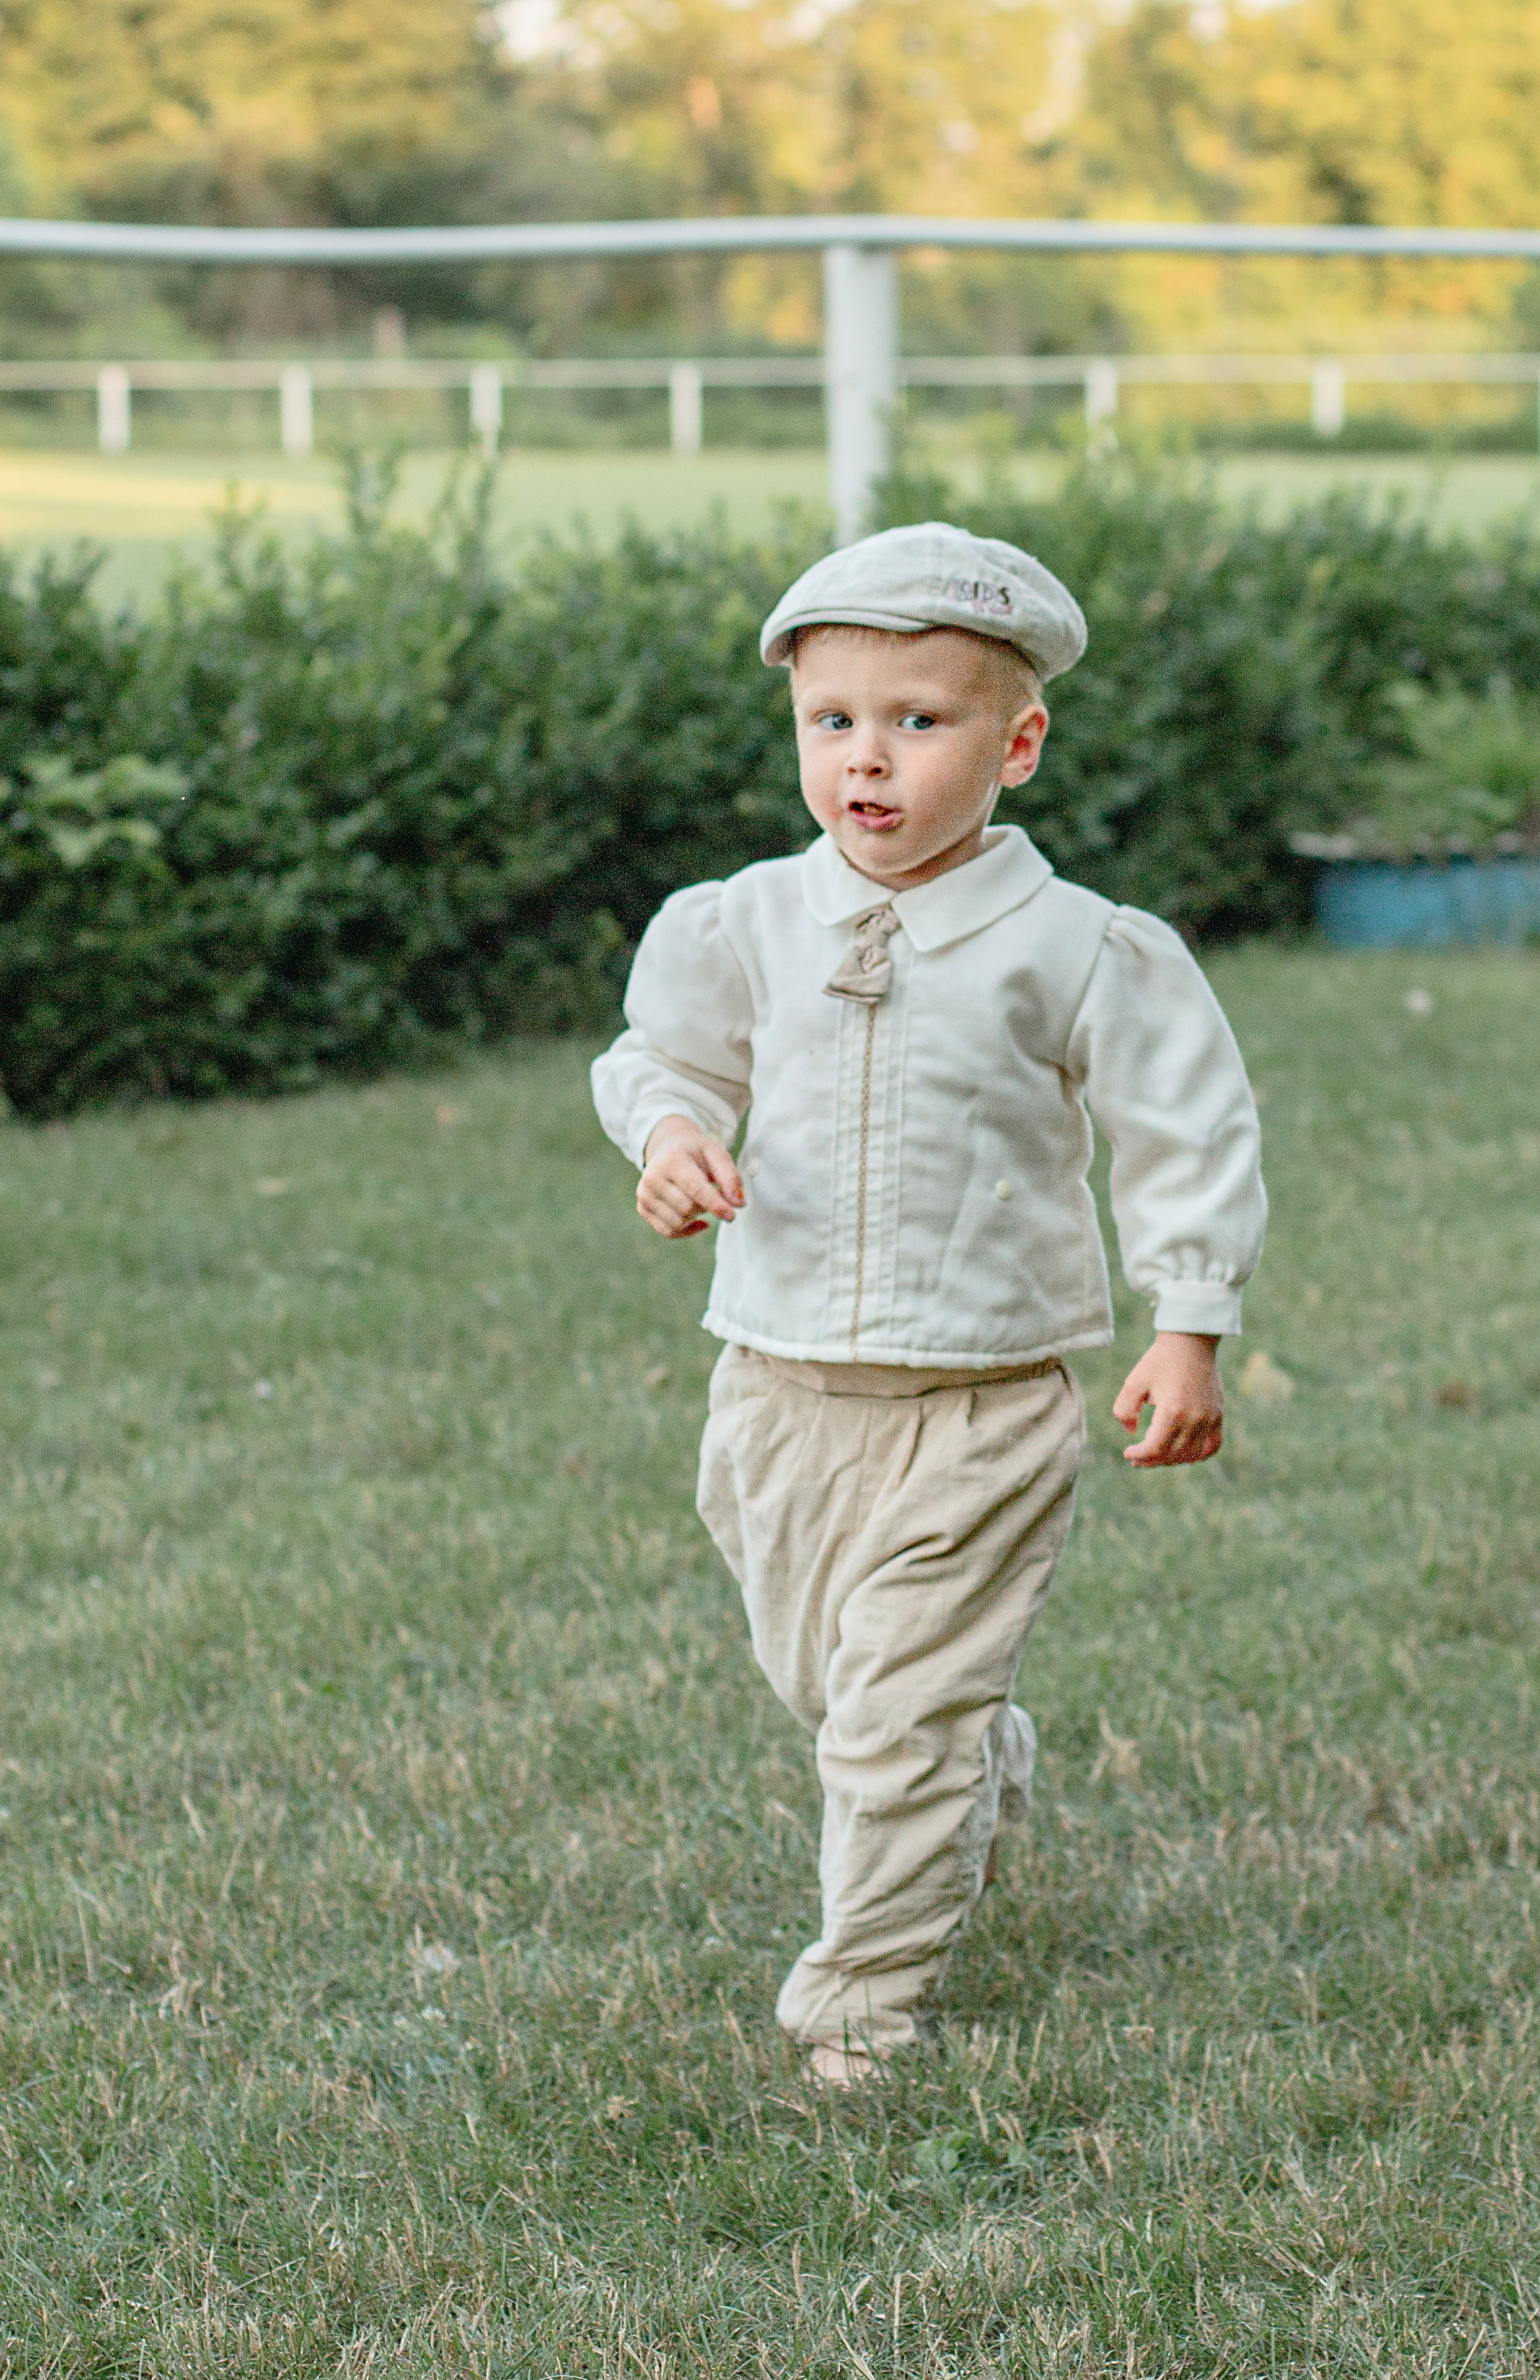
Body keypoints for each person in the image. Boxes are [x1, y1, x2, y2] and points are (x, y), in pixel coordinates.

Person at [591, 522, 1266, 2085]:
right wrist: (673, 1135)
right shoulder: (740, 922)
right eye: (833, 723)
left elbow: (1187, 1125)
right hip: (775, 1392)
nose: (866, 762)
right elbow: (663, 1060)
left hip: (982, 1396)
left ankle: (859, 2006)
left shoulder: (1077, 948)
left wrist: (1190, 1316)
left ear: (1016, 741)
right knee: (833, 1688)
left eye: (918, 720)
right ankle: (965, 1757)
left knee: (888, 1724)